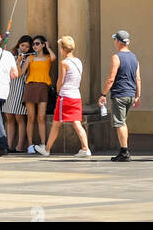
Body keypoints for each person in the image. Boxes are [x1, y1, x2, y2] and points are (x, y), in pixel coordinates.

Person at [36, 36, 90, 158]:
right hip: (76, 95)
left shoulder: (64, 63)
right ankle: (85, 148)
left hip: (65, 96)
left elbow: (60, 81)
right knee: (77, 123)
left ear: (62, 48)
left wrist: (58, 91)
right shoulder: (78, 61)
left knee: (56, 123)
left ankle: (47, 149)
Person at [97, 30, 141, 163]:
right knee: (123, 121)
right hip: (131, 94)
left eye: (115, 40)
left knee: (120, 123)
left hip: (120, 94)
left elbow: (111, 78)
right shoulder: (134, 57)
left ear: (118, 41)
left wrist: (103, 94)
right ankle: (124, 150)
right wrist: (138, 95)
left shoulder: (116, 57)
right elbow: (138, 78)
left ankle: (124, 151)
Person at [23, 35, 55, 154]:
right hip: (30, 86)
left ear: (42, 45)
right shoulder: (30, 58)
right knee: (31, 117)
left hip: (43, 87)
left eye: (37, 44)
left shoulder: (47, 57)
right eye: (33, 44)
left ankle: (43, 143)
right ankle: (30, 145)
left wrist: (48, 47)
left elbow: (53, 58)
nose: (34, 46)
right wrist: (19, 61)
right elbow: (21, 73)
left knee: (41, 117)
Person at [2, 36, 32, 152]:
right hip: (9, 87)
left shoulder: (28, 58)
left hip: (20, 88)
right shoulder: (11, 55)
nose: (24, 48)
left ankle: (20, 146)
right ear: (19, 44)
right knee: (9, 117)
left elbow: (19, 74)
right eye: (22, 45)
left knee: (19, 117)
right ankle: (8, 145)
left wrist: (19, 61)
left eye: (27, 46)